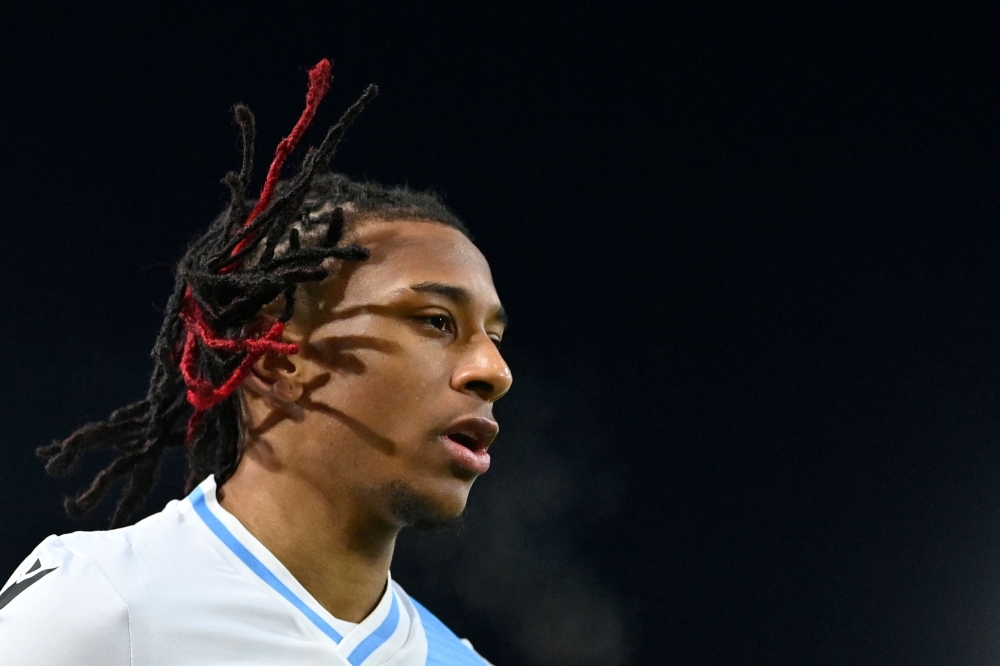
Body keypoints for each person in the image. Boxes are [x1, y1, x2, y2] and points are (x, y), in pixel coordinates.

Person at [0, 59, 510, 665]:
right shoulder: (103, 605)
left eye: (495, 337)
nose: (492, 371)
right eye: (436, 322)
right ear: (275, 357)